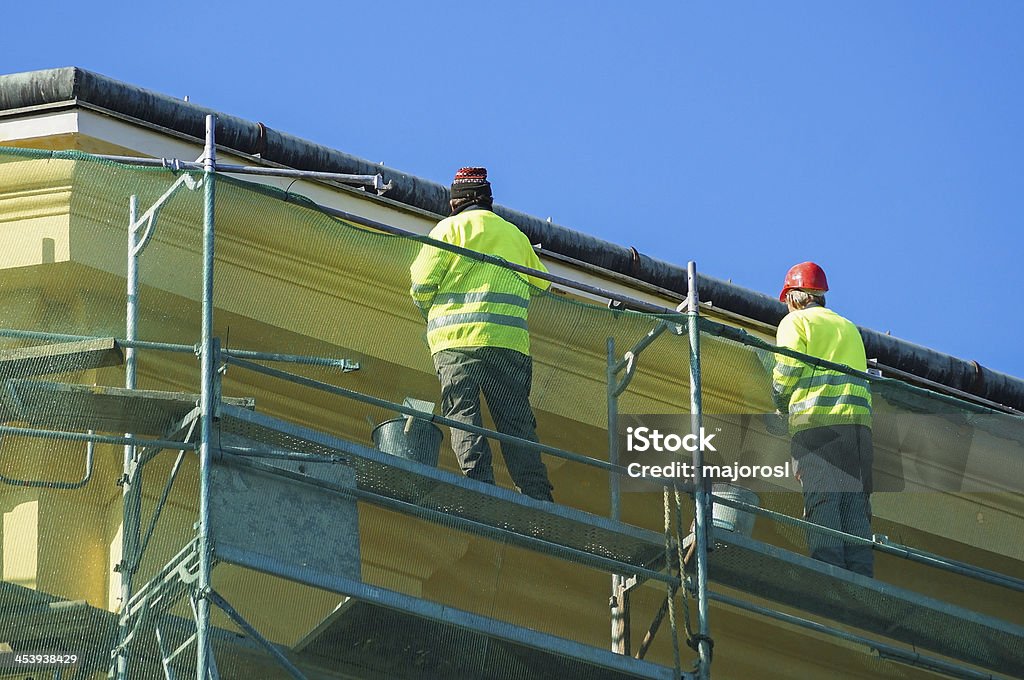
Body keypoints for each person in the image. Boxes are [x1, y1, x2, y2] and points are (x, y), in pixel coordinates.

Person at [410, 167, 554, 501]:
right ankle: (537, 496)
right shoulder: (515, 236)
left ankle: (479, 486)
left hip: (456, 343)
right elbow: (543, 284)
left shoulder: (449, 230)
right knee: (516, 424)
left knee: (463, 414)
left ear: (457, 201)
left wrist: (430, 314)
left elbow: (421, 285)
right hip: (508, 346)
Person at [772, 262, 874, 576]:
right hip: (858, 432)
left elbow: (788, 369)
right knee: (855, 507)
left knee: (823, 499)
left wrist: (779, 401)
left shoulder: (795, 323)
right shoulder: (848, 328)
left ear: (792, 296)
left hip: (818, 426)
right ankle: (860, 577)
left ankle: (827, 572)